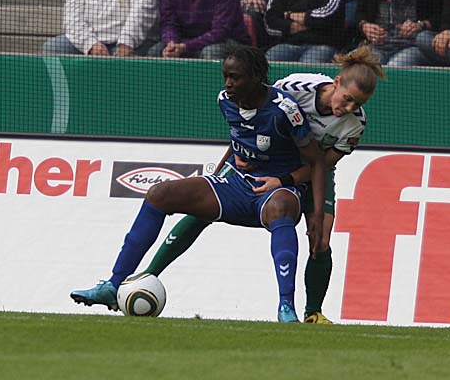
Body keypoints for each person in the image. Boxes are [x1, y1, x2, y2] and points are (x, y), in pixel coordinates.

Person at [71, 45, 326, 322]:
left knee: (281, 206)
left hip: (276, 191)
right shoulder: (225, 101)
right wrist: (226, 167)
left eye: (235, 77)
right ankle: (113, 285)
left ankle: (286, 308)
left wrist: (312, 209)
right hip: (236, 185)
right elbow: (241, 137)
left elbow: (316, 162)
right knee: (158, 194)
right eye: (225, 76)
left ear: (256, 77)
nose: (228, 83)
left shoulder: (284, 109)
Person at [138, 46, 386, 324]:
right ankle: (148, 275)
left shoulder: (355, 124)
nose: (349, 109)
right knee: (202, 210)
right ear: (337, 82)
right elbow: (254, 117)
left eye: (357, 104)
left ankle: (312, 313)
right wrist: (236, 152)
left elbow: (322, 164)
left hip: (312, 171)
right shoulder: (296, 86)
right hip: (266, 157)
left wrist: (284, 182)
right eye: (348, 99)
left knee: (320, 241)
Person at [43, 0, 160, 56]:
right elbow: (71, 17)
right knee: (54, 47)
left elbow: (142, 10)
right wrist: (90, 44)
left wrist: (126, 43)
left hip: (129, 44)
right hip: (90, 42)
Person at [145, 0, 251, 59]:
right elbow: (168, 22)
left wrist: (186, 46)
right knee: (157, 51)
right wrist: (171, 43)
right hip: (185, 41)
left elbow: (220, 32)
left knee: (211, 52)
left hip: (227, 41)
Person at [355, 0, 445, 67]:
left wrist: (420, 25)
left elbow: (440, 17)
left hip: (412, 46)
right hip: (378, 45)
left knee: (394, 69)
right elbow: (360, 11)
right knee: (353, 65)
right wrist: (365, 26)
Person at [263, 0, 348, 63]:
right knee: (266, 63)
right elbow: (270, 22)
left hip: (323, 45)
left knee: (308, 67)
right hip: (287, 45)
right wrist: (292, 26)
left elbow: (328, 16)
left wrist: (289, 15)